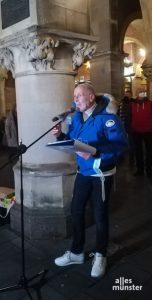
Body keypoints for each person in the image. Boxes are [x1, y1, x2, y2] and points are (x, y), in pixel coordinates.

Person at [52, 83, 128, 278]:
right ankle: (77, 252)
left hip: (101, 175)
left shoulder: (108, 118)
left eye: (79, 96)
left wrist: (95, 152)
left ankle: (101, 255)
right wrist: (60, 135)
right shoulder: (77, 117)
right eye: (74, 96)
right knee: (76, 211)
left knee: (100, 216)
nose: (75, 100)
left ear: (91, 97)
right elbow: (72, 139)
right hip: (83, 173)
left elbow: (120, 146)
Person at [131, 92, 152, 177]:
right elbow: (129, 116)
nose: (141, 94)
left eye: (142, 92)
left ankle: (149, 169)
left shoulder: (150, 103)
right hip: (136, 131)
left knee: (149, 151)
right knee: (138, 151)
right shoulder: (132, 104)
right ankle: (140, 169)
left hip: (149, 131)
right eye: (139, 92)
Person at [118, 90, 135, 165]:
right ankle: (122, 157)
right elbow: (119, 113)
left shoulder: (133, 103)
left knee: (131, 143)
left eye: (128, 95)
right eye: (126, 95)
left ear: (131, 95)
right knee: (122, 142)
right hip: (122, 125)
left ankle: (131, 160)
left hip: (130, 126)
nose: (127, 96)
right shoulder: (122, 103)